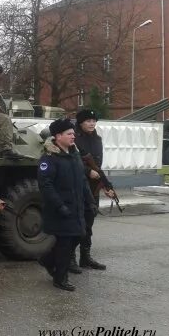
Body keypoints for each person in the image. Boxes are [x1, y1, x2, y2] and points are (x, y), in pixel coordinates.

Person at [37, 118, 92, 292]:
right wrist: (60, 206)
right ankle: (60, 278)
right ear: (58, 136)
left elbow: (82, 180)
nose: (73, 136)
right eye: (69, 133)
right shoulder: (49, 158)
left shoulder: (74, 154)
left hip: (76, 206)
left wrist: (89, 200)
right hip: (60, 208)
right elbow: (46, 185)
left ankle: (47, 259)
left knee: (78, 236)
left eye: (73, 133)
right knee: (65, 244)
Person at [74, 109, 108, 270]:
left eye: (94, 121)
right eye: (88, 121)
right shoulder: (74, 138)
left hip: (93, 187)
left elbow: (98, 166)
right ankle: (70, 259)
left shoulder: (97, 139)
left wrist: (107, 186)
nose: (92, 123)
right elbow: (73, 161)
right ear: (81, 122)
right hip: (78, 184)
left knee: (89, 222)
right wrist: (88, 172)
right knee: (76, 222)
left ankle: (85, 257)